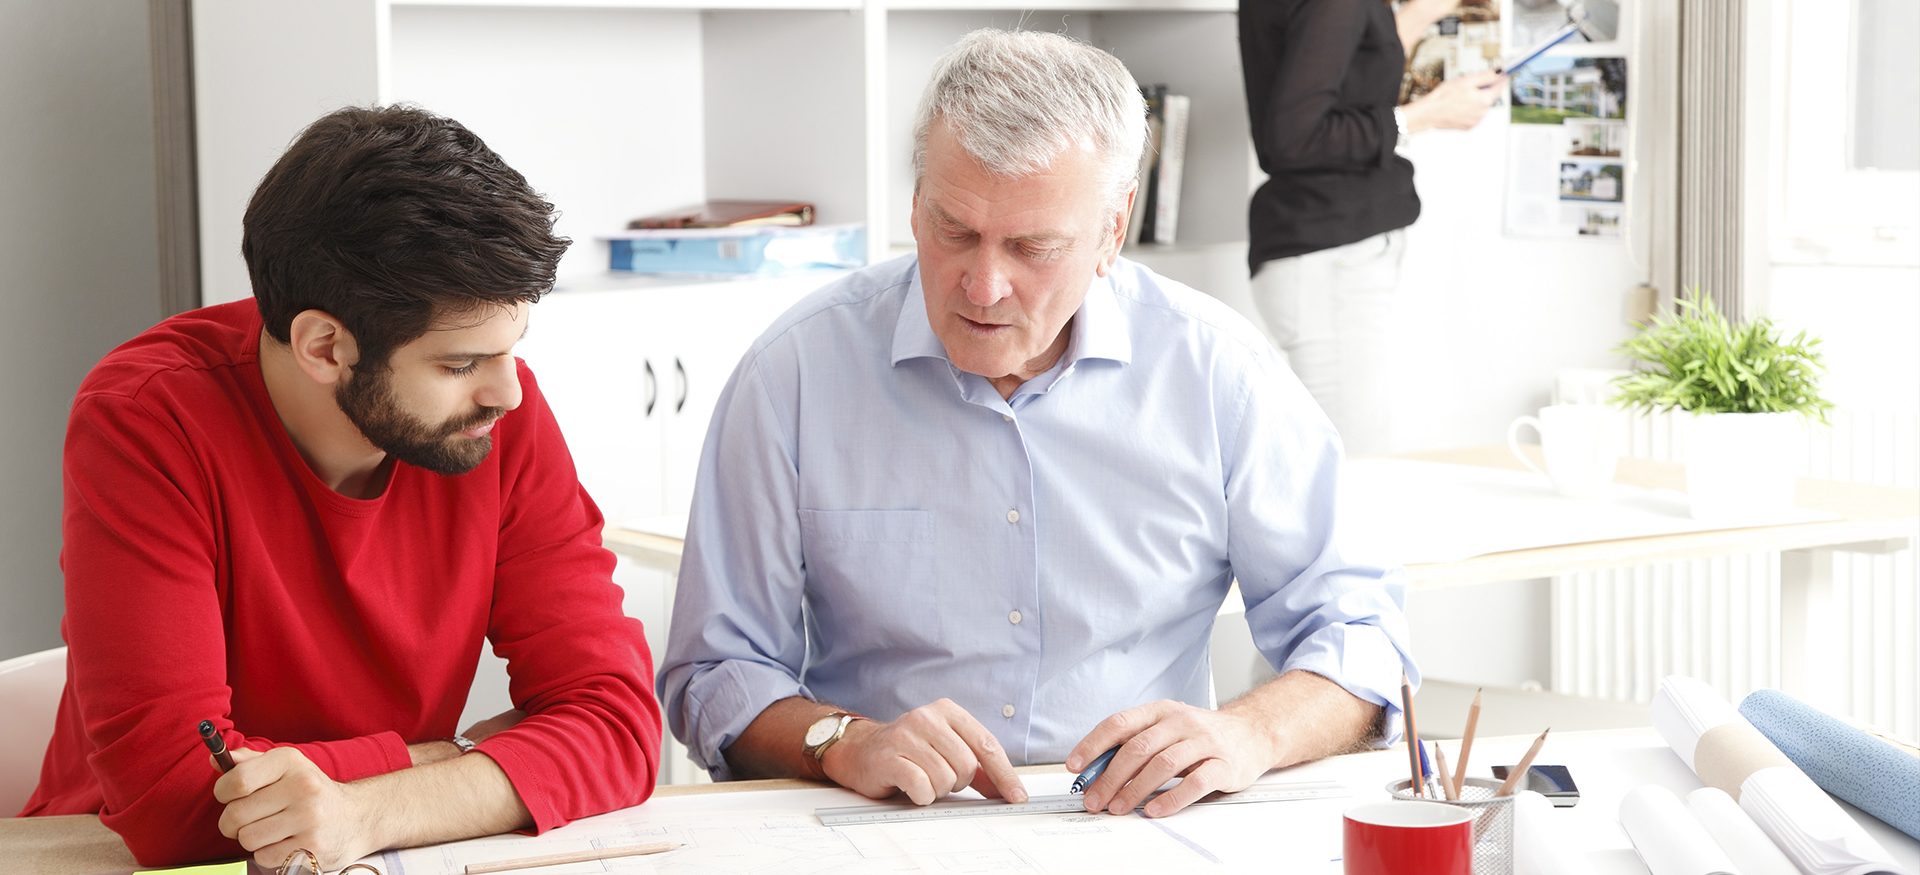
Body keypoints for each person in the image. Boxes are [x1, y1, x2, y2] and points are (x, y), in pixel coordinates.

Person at [659, 29, 1414, 819]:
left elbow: (1360, 631)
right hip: (882, 824)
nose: (983, 286)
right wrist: (843, 739)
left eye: (1033, 246)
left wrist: (1249, 732)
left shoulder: (1217, 370)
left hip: (1141, 826)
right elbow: (714, 671)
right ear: (916, 204)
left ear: (1111, 231)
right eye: (955, 230)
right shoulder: (795, 372)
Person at [20, 106, 662, 869]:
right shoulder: (148, 419)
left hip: (381, 851)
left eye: (511, 348)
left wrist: (370, 808)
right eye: (459, 364)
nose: (510, 393)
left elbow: (620, 724)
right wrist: (453, 758)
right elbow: (170, 796)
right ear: (325, 346)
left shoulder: (492, 418)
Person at [1240, 0, 1501, 454]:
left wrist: (1421, 14)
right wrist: (1425, 115)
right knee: (1357, 466)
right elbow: (1293, 139)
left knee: (1345, 462)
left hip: (1328, 250)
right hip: (1330, 255)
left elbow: (1342, 65)